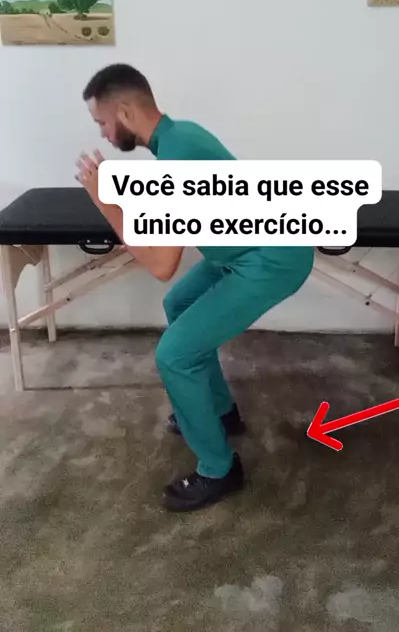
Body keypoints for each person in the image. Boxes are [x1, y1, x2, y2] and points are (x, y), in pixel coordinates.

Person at [75, 63, 314, 512]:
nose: (103, 134)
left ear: (124, 112)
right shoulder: (177, 136)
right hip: (244, 250)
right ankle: (221, 412)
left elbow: (162, 263)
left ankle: (219, 469)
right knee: (180, 303)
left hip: (271, 259)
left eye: (102, 122)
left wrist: (104, 201)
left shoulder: (179, 157)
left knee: (174, 354)